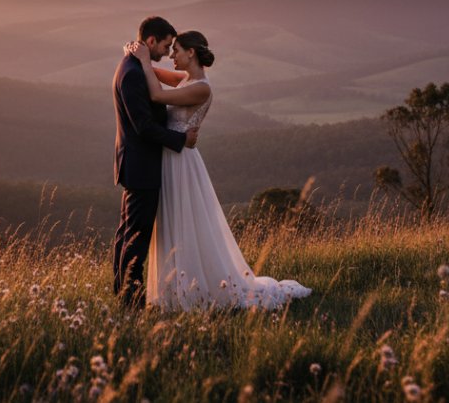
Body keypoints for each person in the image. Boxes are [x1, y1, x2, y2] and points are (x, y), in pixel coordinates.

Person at [126, 30, 311, 311]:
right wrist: (142, 60)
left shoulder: (202, 88)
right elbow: (163, 76)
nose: (172, 55)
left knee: (186, 221)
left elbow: (156, 93)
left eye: (176, 50)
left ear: (191, 53)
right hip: (173, 156)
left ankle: (195, 288)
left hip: (181, 162)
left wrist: (141, 61)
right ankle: (175, 289)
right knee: (174, 221)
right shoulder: (189, 79)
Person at [112, 16, 199, 310]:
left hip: (136, 164)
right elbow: (143, 127)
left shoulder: (136, 66)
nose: (167, 50)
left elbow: (172, 81)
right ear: (150, 42)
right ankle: (130, 301)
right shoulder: (134, 73)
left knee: (127, 232)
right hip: (142, 166)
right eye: (164, 45)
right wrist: (180, 140)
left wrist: (147, 62)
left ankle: (121, 291)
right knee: (136, 236)